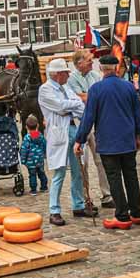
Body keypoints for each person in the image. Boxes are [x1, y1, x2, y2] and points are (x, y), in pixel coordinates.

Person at [74, 55, 140, 230]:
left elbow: (88, 117)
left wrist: (79, 140)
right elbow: (138, 114)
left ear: (101, 69)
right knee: (131, 175)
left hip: (107, 141)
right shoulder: (128, 87)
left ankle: (122, 215)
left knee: (114, 177)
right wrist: (138, 135)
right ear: (116, 68)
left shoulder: (96, 89)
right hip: (127, 139)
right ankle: (136, 212)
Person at [37, 58, 93, 226]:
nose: (69, 75)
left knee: (78, 169)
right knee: (59, 173)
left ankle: (78, 204)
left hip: (74, 129)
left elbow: (80, 106)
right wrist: (72, 105)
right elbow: (60, 107)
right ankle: (54, 210)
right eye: (66, 73)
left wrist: (70, 106)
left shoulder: (66, 87)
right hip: (58, 134)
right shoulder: (45, 90)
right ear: (57, 74)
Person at [67, 49, 113, 209]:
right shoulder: (71, 79)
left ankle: (107, 195)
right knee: (83, 163)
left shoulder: (95, 76)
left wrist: (89, 96)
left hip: (97, 122)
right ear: (79, 63)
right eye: (89, 60)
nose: (92, 62)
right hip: (80, 122)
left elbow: (90, 97)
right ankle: (86, 197)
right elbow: (79, 98)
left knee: (101, 159)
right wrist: (92, 97)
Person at [19, 115, 48, 195]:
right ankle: (44, 186)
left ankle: (33, 189)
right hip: (40, 159)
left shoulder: (27, 138)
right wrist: (44, 154)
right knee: (41, 172)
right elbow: (45, 145)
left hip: (30, 161)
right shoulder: (40, 136)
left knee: (32, 175)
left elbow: (24, 149)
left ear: (26, 127)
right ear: (38, 125)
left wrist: (23, 159)